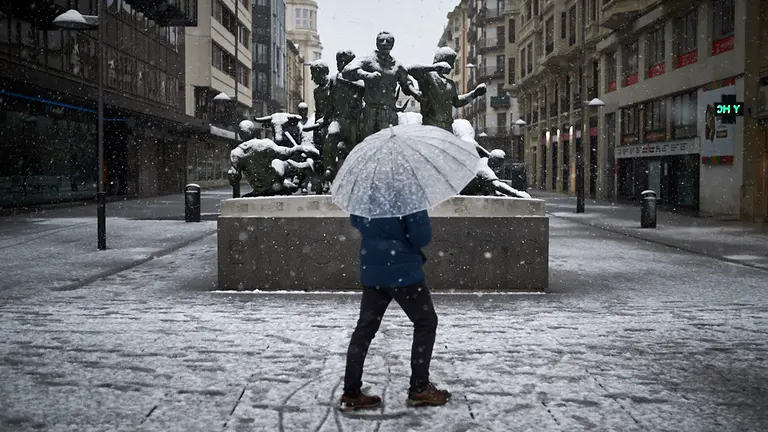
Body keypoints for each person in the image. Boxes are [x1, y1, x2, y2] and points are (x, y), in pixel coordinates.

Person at [339, 210, 451, 412]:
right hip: (403, 270)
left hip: (373, 270)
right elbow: (422, 236)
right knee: (426, 323)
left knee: (364, 329)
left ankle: (351, 393)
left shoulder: (364, 193)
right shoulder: (407, 193)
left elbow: (356, 221)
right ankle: (419, 388)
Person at [341, 31, 421, 140]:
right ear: (377, 44)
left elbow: (406, 82)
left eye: (387, 41)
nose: (384, 43)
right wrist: (366, 75)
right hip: (371, 112)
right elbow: (347, 71)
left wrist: (415, 92)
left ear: (392, 45)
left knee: (390, 144)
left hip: (389, 112)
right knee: (369, 142)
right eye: (381, 41)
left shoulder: (397, 66)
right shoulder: (368, 60)